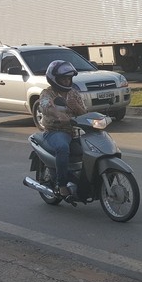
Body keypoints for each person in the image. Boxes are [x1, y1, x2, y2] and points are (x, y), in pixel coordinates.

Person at [40, 60, 87, 197]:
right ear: (55, 79)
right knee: (62, 148)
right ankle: (62, 184)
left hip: (74, 131)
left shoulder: (74, 94)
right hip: (55, 131)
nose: (67, 81)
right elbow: (45, 106)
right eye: (63, 79)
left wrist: (77, 107)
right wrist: (58, 114)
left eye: (68, 78)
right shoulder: (48, 93)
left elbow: (85, 113)